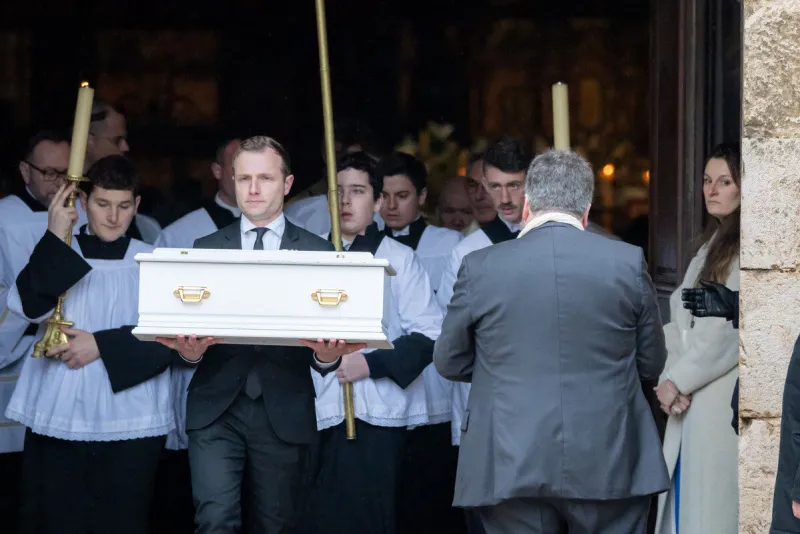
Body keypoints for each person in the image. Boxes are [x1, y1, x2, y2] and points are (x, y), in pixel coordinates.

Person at [434, 149, 669, 533]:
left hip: (510, 454)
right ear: (587, 210)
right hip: (608, 454)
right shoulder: (626, 262)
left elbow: (448, 361)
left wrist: (501, 369)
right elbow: (650, 363)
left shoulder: (482, 266)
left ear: (527, 205)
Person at [155, 135, 363, 534]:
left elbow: (328, 350)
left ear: (287, 185)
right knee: (215, 521)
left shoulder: (321, 253)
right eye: (244, 178)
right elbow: (187, 337)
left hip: (285, 407)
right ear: (230, 181)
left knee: (278, 526)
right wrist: (190, 353)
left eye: (265, 178)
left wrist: (325, 355)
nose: (252, 189)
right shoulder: (204, 248)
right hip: (215, 406)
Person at [5, 155, 175, 534]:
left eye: (124, 206)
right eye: (102, 204)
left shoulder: (151, 261)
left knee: (122, 519)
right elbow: (28, 308)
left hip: (131, 411)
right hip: (60, 409)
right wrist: (54, 233)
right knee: (57, 517)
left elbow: (172, 338)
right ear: (83, 203)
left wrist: (102, 344)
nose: (113, 217)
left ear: (137, 206)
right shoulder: (62, 250)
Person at [301, 151, 442, 534]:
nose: (346, 202)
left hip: (377, 412)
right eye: (338, 192)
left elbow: (430, 333)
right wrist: (326, 362)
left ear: (378, 201)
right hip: (315, 410)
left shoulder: (400, 259)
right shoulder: (308, 256)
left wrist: (369, 364)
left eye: (358, 191)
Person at [0, 129, 89, 532]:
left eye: (68, 175)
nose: (58, 184)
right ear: (25, 170)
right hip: (13, 367)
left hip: (74, 373)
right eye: (50, 172)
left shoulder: (91, 214)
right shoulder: (3, 218)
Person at [654, 144, 741, 534]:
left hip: (716, 395)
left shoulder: (746, 248)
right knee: (682, 504)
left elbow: (725, 331)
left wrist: (678, 381)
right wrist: (669, 380)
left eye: (725, 181)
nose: (712, 190)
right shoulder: (708, 247)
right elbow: (677, 325)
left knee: (707, 511)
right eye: (707, 181)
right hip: (687, 396)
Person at [87, 99, 161, 243]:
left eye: (124, 206)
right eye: (117, 140)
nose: (125, 147)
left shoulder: (148, 228)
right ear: (89, 140)